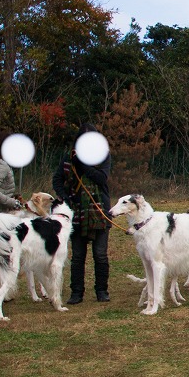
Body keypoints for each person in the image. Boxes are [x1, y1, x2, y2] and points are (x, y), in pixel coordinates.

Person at [52, 123, 112, 303]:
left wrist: (83, 164)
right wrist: (66, 198)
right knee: (78, 255)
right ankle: (76, 292)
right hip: (76, 212)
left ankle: (102, 291)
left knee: (100, 254)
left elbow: (101, 178)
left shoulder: (104, 156)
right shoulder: (68, 158)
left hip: (99, 209)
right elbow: (57, 180)